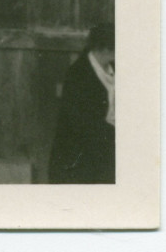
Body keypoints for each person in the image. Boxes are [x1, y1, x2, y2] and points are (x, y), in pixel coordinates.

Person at [48, 23, 115, 184]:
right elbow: (83, 123)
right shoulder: (79, 74)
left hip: (106, 147)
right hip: (80, 156)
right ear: (105, 48)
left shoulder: (113, 68)